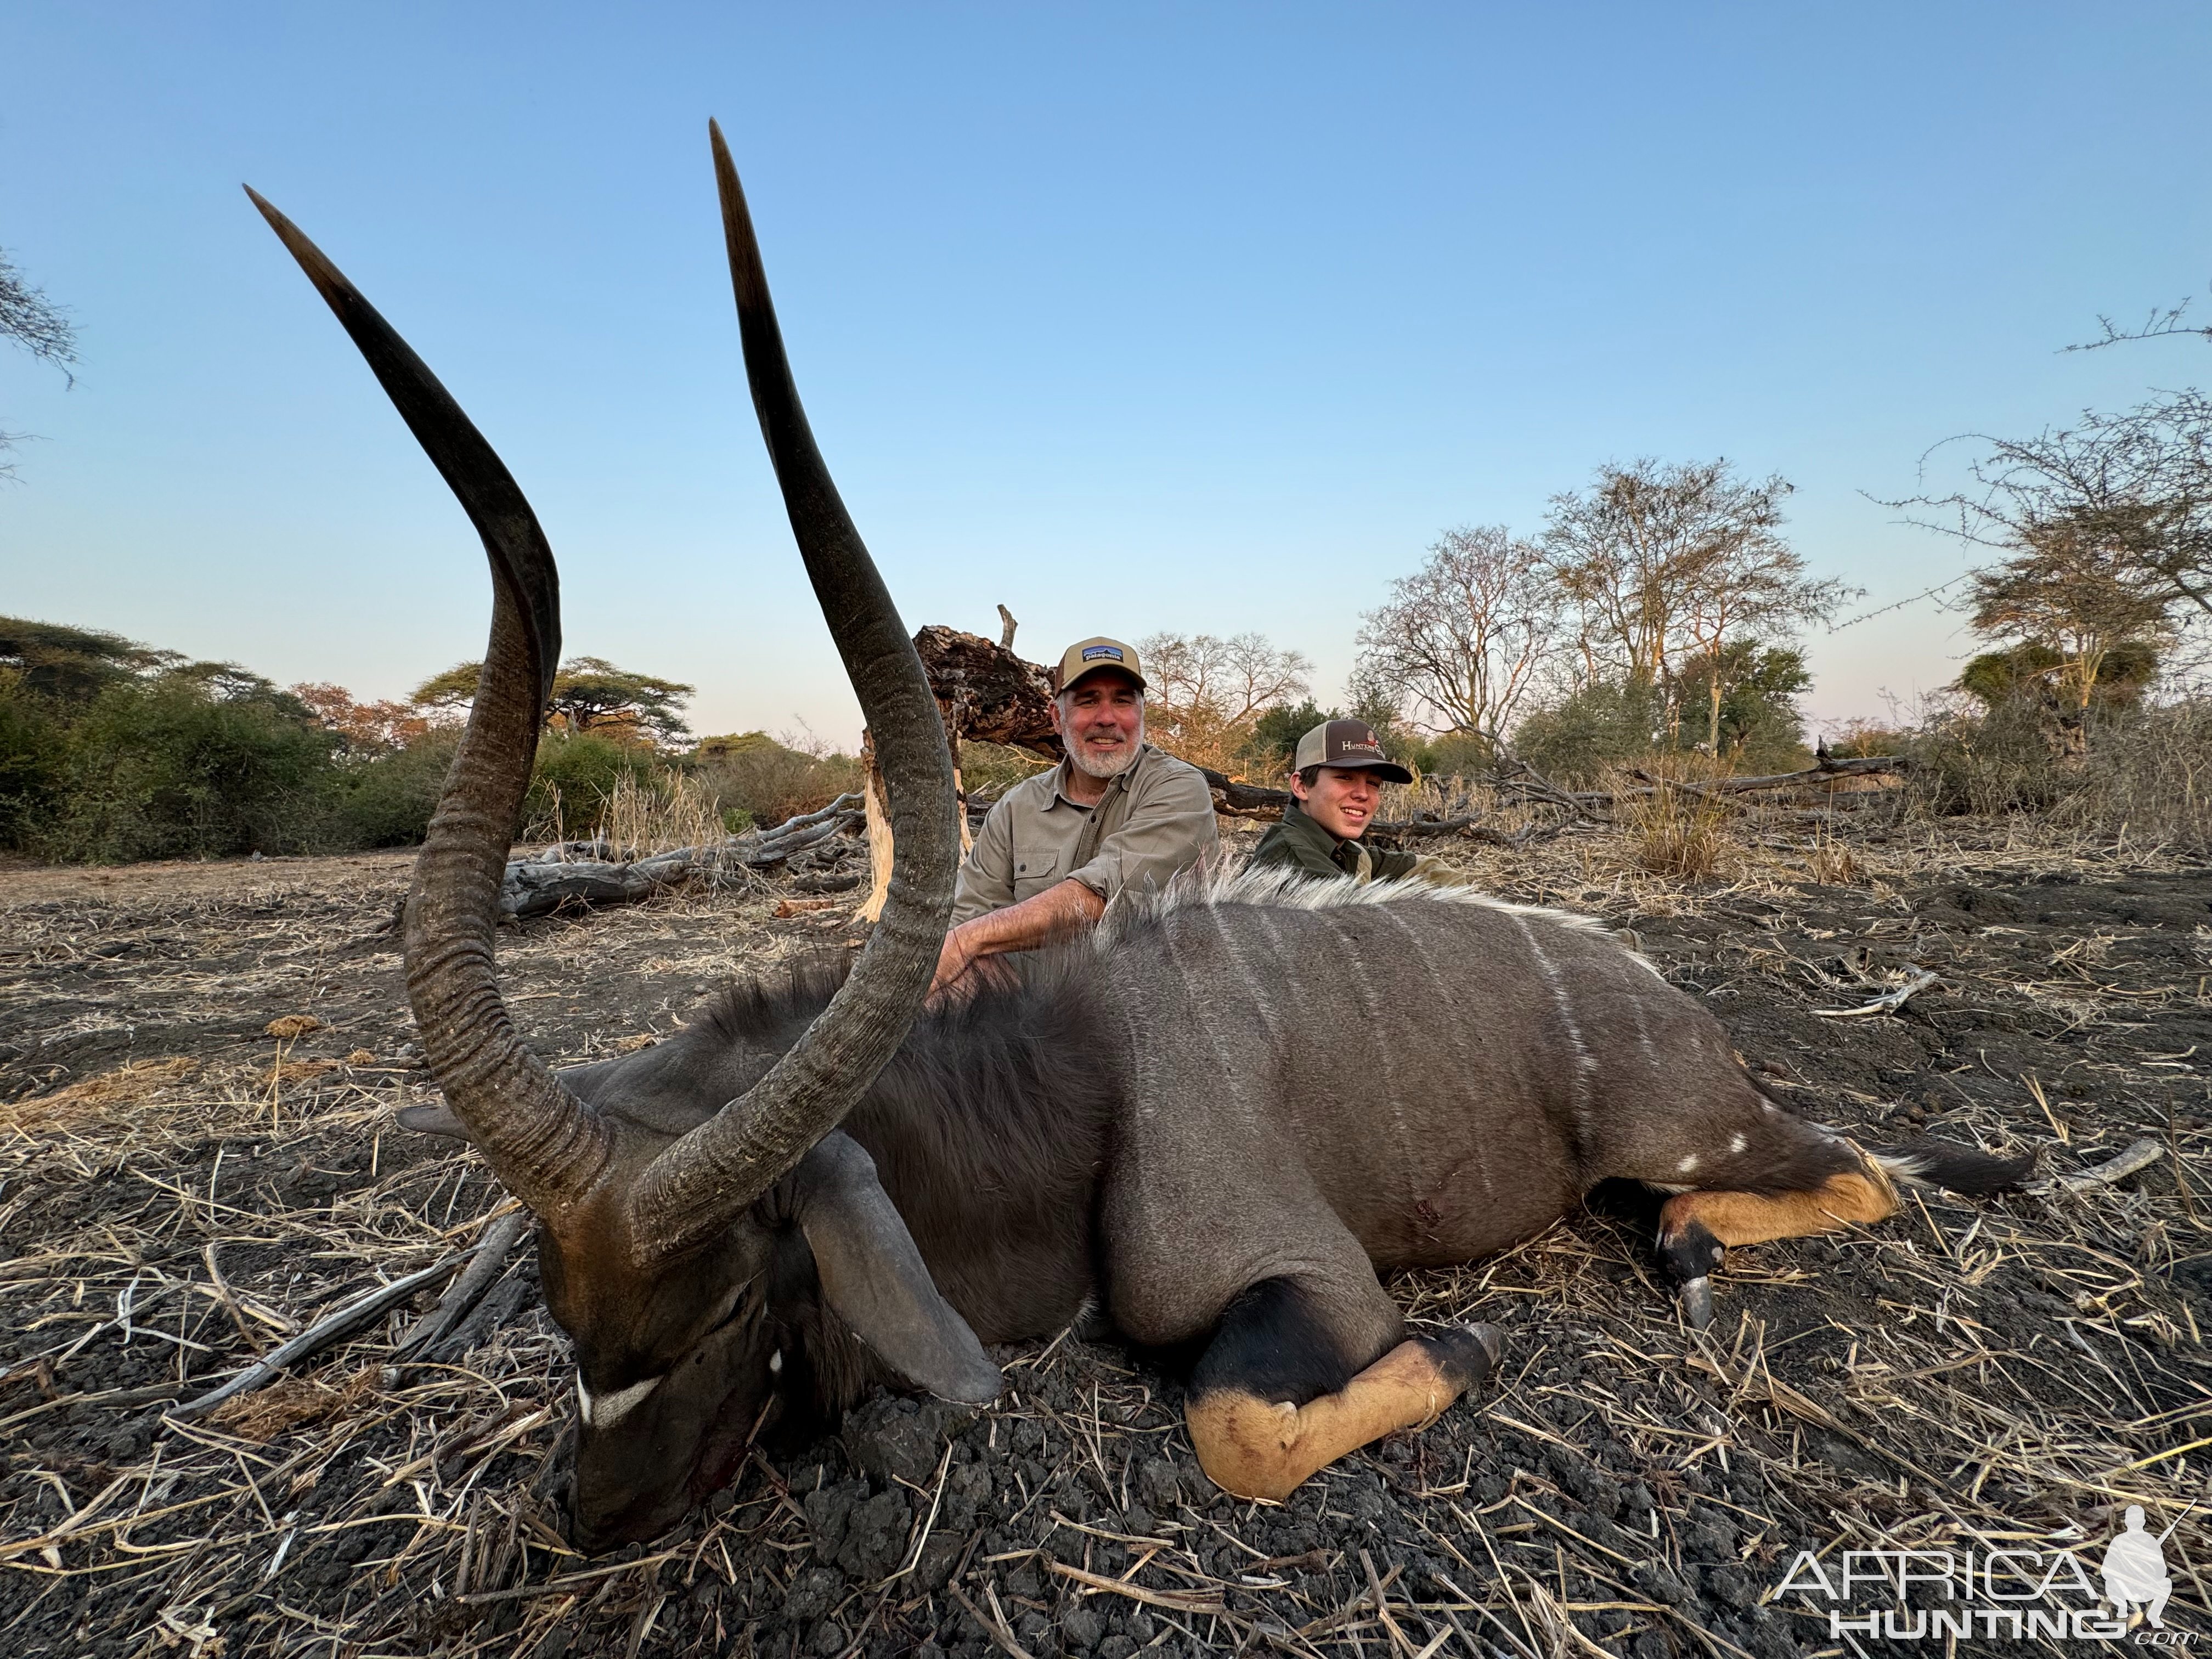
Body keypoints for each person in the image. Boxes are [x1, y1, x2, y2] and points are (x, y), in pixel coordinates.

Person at [930, 636, 1218, 997]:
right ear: (1056, 717)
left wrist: (966, 942)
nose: (1107, 718)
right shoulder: (1015, 808)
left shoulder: (1179, 788)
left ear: (1141, 713)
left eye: (1123, 700)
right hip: (1033, 1014)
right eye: (1088, 701)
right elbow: (965, 914)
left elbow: (1103, 896)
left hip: (1152, 1016)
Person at [1247, 718, 1472, 887]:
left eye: (1373, 783)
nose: (1363, 794)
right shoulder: (1295, 861)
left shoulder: (1344, 850)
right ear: (1301, 786)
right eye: (1345, 778)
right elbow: (1359, 936)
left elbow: (1429, 870)